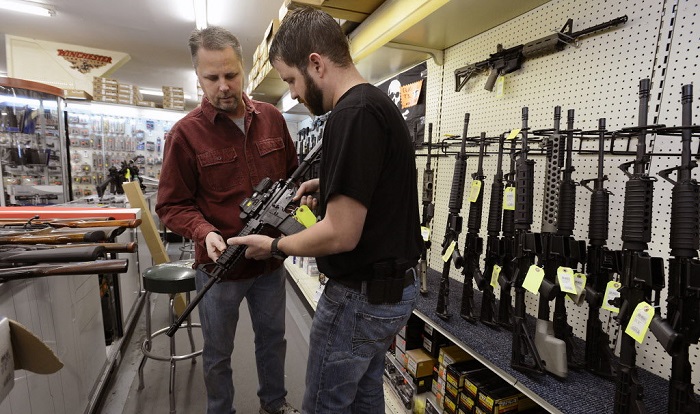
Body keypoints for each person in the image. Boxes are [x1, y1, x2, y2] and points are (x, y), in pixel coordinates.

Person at [228, 7, 423, 414]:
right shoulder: (375, 104)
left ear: (316, 63)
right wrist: (329, 182)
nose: (293, 94)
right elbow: (379, 185)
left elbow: (340, 233)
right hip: (389, 294)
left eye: (291, 80)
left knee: (324, 404)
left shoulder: (351, 114)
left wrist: (275, 246)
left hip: (359, 300)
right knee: (365, 395)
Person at [155, 26, 300, 414]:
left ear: (243, 68)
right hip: (219, 267)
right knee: (218, 352)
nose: (223, 86)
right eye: (212, 77)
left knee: (273, 339)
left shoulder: (272, 118)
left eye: (231, 74)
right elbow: (170, 205)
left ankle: (274, 404)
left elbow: (293, 177)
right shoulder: (184, 135)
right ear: (197, 77)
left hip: (269, 262)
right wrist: (205, 232)